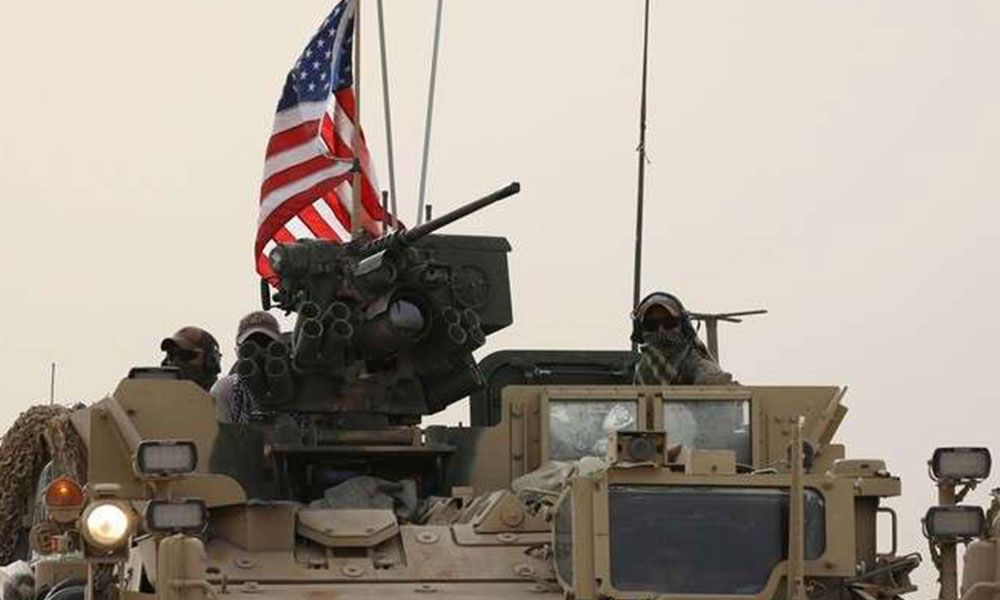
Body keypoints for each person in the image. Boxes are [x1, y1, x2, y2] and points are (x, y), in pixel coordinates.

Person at [631, 292, 735, 386]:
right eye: (651, 325)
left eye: (669, 322)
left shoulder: (694, 363)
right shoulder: (640, 369)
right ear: (640, 331)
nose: (661, 330)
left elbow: (717, 385)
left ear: (683, 327)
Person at [211, 311, 282, 423]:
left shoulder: (301, 386)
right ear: (238, 351)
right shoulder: (227, 390)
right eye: (249, 346)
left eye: (265, 343)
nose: (258, 351)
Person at [160, 326, 222, 392]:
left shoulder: (224, 396)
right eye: (171, 355)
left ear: (210, 361)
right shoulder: (159, 395)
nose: (173, 362)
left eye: (184, 354)